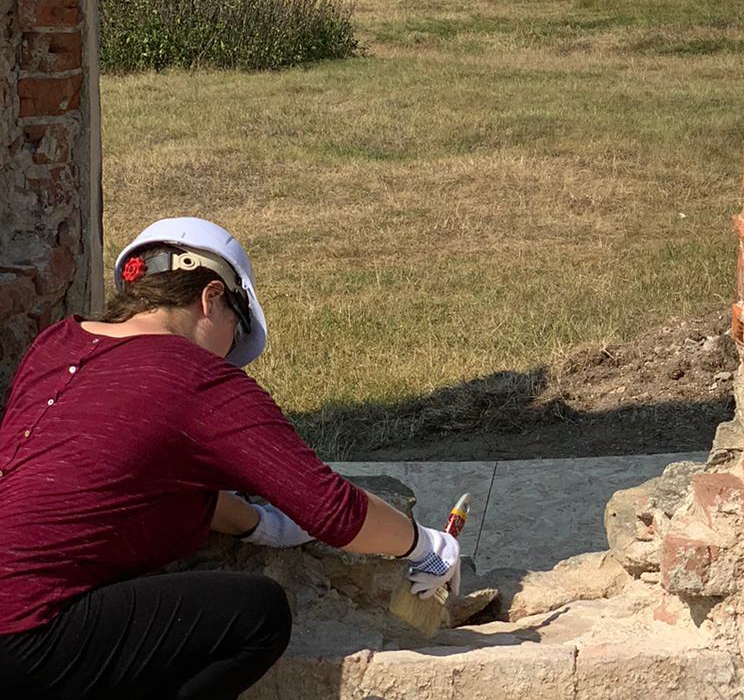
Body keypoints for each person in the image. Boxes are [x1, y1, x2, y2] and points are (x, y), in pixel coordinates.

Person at [0, 217, 461, 699]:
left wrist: (259, 525)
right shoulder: (197, 378)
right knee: (257, 615)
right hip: (26, 633)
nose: (229, 351)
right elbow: (332, 509)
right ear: (212, 297)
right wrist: (423, 547)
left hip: (15, 619)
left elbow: (125, 473)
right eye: (235, 329)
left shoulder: (57, 343)